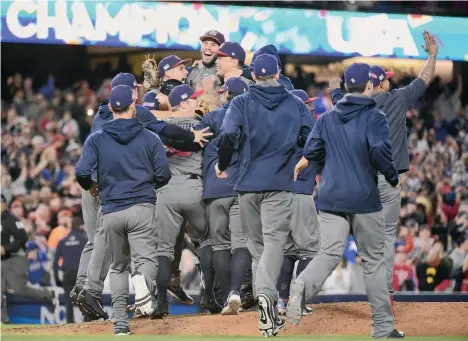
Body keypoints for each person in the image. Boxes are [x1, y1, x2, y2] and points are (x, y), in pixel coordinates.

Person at [71, 72, 210, 320]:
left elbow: (81, 169)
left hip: (91, 186)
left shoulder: (102, 115)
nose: (138, 92)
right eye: (134, 89)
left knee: (97, 241)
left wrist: (88, 183)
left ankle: (83, 288)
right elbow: (165, 130)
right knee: (123, 247)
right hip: (115, 190)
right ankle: (107, 291)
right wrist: (191, 136)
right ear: (130, 97)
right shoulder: (139, 119)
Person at [288, 63, 403, 338]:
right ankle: (383, 329)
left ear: (346, 87)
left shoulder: (326, 118)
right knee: (373, 262)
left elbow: (312, 149)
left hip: (330, 197)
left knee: (328, 254)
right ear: (368, 87)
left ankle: (302, 284)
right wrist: (391, 174)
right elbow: (378, 150)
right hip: (364, 198)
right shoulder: (374, 117)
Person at [330, 31, 438, 315]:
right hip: (388, 182)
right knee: (386, 238)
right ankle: (384, 298)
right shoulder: (397, 99)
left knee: (361, 243)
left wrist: (333, 89)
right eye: (387, 77)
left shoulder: (349, 105)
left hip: (358, 184)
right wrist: (432, 55)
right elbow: (425, 78)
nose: (391, 79)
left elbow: (339, 98)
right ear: (380, 82)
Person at [216, 54, 313, 337]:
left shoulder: (241, 102)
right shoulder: (295, 104)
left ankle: (266, 306)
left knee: (257, 247)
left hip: (247, 185)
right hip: (280, 183)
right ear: (278, 74)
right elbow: (312, 137)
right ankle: (268, 300)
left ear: (254, 75)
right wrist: (301, 156)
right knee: (272, 245)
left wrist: (222, 165)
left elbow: (228, 137)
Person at [75, 85, 172, 335]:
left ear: (110, 107)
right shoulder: (151, 137)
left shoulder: (96, 138)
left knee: (118, 267)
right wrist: (147, 187)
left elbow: (81, 172)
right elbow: (164, 174)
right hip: (141, 207)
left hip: (111, 211)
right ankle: (142, 284)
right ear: (134, 105)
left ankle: (120, 323)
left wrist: (93, 187)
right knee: (147, 262)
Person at [152, 84, 219, 319]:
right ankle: (209, 297)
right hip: (194, 188)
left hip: (166, 191)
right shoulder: (203, 126)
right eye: (192, 100)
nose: (196, 103)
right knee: (208, 242)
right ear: (181, 103)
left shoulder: (159, 129)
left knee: (163, 250)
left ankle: (160, 304)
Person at [194, 77, 251, 315]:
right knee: (240, 243)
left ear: (225, 94)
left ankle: (227, 296)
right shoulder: (250, 121)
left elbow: (190, 133)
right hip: (240, 187)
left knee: (220, 245)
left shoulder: (211, 117)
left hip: (215, 190)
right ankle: (235, 292)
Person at [277, 89, 319, 316]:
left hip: (281, 196)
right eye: (307, 104)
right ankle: (297, 300)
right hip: (300, 195)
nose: (311, 107)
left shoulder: (280, 128)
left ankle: (282, 301)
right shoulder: (308, 130)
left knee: (288, 250)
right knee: (310, 248)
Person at [1, 194, 58, 324]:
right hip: (2, 261)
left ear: (4, 204)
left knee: (21, 289)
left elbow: (22, 238)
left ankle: (49, 295)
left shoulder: (12, 219)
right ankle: (3, 319)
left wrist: (6, 248)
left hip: (14, 259)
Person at [53, 217, 87, 323]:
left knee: (68, 301)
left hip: (67, 273)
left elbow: (55, 263)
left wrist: (57, 279)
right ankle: (87, 323)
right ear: (81, 226)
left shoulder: (62, 241)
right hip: (81, 273)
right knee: (85, 299)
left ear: (70, 227)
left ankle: (69, 323)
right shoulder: (85, 239)